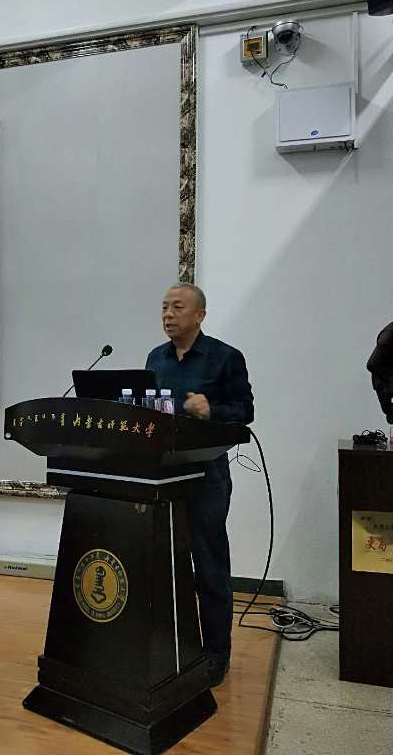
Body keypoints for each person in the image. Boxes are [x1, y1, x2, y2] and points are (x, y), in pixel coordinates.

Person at [145, 283, 254, 687]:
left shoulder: (226, 357)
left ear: (200, 315)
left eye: (177, 307)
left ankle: (215, 655)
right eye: (164, 307)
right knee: (166, 566)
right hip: (163, 474)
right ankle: (174, 646)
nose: (168, 315)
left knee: (209, 565)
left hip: (206, 477)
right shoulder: (155, 358)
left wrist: (212, 411)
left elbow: (245, 410)